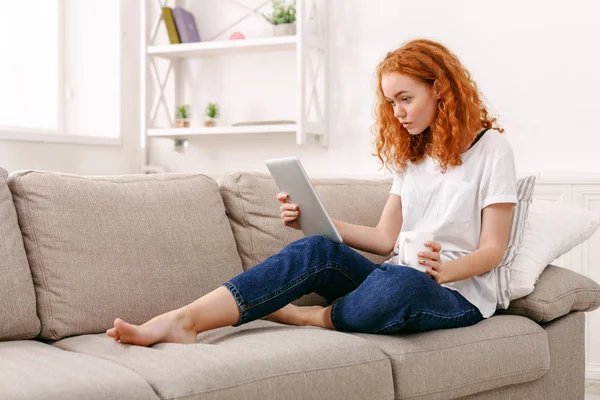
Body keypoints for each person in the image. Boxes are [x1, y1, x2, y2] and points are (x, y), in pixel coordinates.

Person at [106, 38, 517, 346]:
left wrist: (445, 270)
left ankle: (313, 318)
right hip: (395, 275)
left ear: (441, 87)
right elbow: (384, 239)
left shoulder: (492, 150)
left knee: (401, 284)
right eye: (391, 102)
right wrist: (317, 220)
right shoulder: (414, 155)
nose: (398, 113)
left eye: (406, 99)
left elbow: (493, 250)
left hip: (455, 294)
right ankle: (185, 320)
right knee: (317, 249)